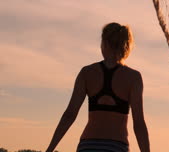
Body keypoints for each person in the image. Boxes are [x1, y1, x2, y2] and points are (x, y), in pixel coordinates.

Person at [45, 23, 150, 152]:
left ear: (105, 43)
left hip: (88, 145)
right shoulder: (133, 77)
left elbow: (70, 114)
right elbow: (139, 124)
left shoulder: (87, 73)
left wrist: (50, 148)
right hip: (116, 146)